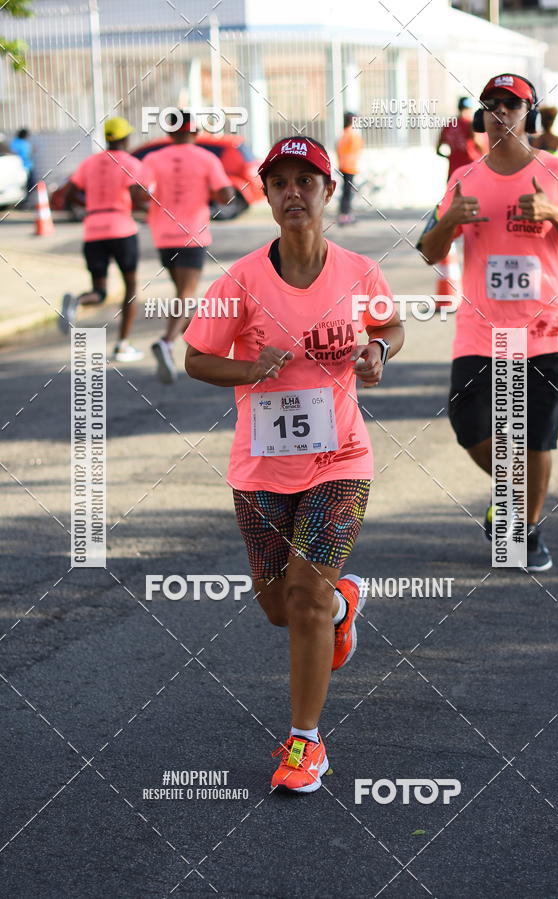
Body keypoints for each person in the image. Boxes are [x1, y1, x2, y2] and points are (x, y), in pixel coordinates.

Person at [184, 137, 404, 792]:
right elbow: (197, 357)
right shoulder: (240, 281)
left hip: (341, 458)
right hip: (260, 470)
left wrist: (380, 353)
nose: (293, 193)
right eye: (279, 182)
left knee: (305, 596)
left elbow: (389, 326)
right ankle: (341, 610)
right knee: (281, 608)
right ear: (268, 196)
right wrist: (249, 369)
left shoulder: (359, 270)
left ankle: (305, 741)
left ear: (328, 192)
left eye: (306, 180)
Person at [418, 73, 558, 572]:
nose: (500, 113)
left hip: (542, 327)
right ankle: (511, 496)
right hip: (481, 328)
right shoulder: (463, 178)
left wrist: (555, 215)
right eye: (492, 105)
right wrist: (451, 220)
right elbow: (429, 249)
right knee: (467, 420)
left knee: (538, 435)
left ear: (529, 114)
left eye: (511, 105)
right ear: (480, 116)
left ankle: (526, 529)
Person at [134, 111, 234, 384]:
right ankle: (166, 342)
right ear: (195, 132)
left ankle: (198, 343)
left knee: (182, 295)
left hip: (162, 234)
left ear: (170, 133)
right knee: (187, 295)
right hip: (193, 233)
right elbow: (226, 196)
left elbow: (137, 192)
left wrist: (153, 199)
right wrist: (222, 194)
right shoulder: (206, 158)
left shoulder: (153, 158)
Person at [58, 117, 145, 362]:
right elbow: (137, 195)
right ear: (126, 139)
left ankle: (77, 301)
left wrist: (90, 207)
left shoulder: (89, 163)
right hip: (121, 228)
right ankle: (123, 345)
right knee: (130, 287)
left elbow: (68, 196)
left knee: (100, 291)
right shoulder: (131, 163)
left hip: (93, 229)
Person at [436, 97, 486, 181]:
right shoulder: (470, 124)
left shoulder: (448, 125)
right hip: (471, 170)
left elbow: (438, 150)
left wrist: (451, 157)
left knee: (454, 194)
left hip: (453, 171)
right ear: (470, 109)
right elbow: (478, 143)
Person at [336, 111, 363, 225]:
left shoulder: (344, 134)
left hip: (345, 167)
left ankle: (345, 213)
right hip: (349, 168)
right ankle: (344, 215)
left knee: (346, 191)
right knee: (347, 192)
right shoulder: (351, 135)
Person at [10, 128, 35, 195]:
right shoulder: (24, 143)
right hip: (25, 167)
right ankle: (25, 200)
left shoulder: (15, 142)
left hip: (18, 168)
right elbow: (26, 154)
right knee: (29, 186)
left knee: (24, 186)